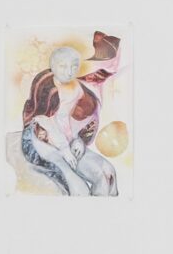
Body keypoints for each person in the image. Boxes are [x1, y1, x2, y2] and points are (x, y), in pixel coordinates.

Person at [19, 36, 119, 195]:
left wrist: (80, 140)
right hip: (44, 142)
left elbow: (88, 119)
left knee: (107, 174)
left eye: (74, 66)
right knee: (79, 189)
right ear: (53, 66)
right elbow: (42, 120)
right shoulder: (45, 85)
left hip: (70, 142)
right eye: (63, 66)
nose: (69, 71)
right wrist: (64, 149)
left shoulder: (81, 87)